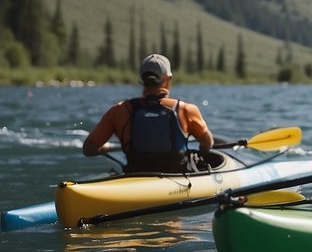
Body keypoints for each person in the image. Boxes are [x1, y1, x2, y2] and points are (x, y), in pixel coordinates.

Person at [82, 53, 214, 173]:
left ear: (141, 80)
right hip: (177, 180)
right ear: (168, 79)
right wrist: (201, 152)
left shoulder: (119, 111)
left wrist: (103, 148)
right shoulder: (186, 110)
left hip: (137, 177)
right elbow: (207, 143)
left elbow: (88, 149)